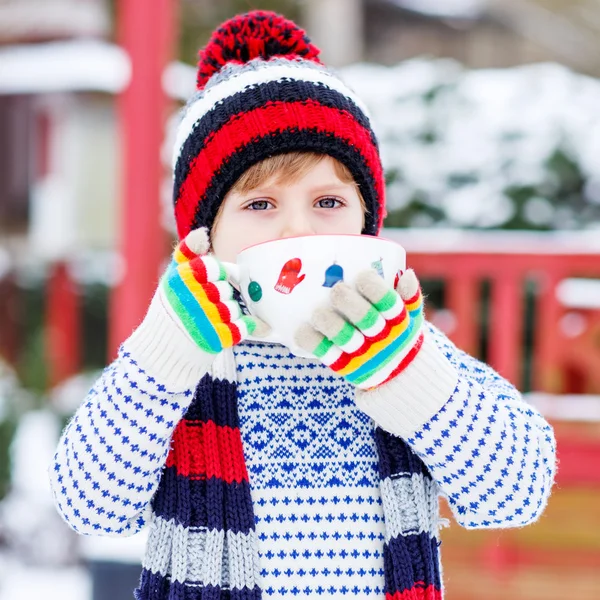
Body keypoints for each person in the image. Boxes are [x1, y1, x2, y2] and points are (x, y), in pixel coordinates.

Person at [49, 11, 556, 600]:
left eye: (328, 201)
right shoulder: (184, 360)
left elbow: (517, 492)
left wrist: (413, 377)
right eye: (260, 205)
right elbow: (91, 505)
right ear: (206, 232)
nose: (297, 230)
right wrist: (165, 353)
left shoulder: (398, 346)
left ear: (367, 219)